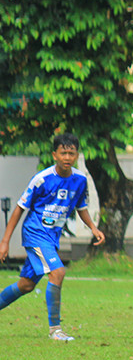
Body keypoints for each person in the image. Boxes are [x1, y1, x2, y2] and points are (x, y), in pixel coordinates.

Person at [0, 133, 105, 340]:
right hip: (35, 233)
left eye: (71, 153)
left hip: (51, 238)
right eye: (63, 153)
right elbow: (20, 208)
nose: (67, 157)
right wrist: (5, 242)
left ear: (76, 156)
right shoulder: (41, 179)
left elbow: (80, 207)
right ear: (54, 155)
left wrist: (93, 227)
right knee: (58, 272)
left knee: (26, 285)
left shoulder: (80, 180)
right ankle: (55, 330)